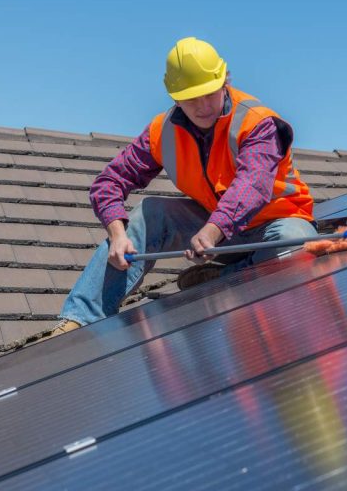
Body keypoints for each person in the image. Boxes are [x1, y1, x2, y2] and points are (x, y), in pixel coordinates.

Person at [50, 37, 316, 336]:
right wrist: (117, 234)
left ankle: (225, 277)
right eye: (191, 98)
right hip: (215, 230)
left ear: (224, 82)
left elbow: (252, 185)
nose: (203, 106)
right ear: (174, 96)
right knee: (151, 213)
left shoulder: (257, 122)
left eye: (210, 94)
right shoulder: (161, 131)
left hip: (273, 227)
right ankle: (79, 322)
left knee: (298, 243)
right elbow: (109, 182)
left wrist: (212, 231)